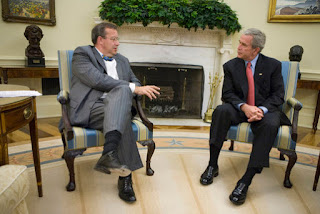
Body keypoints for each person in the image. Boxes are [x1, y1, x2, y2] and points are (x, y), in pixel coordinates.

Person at [69, 22, 160, 202]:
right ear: (100, 40)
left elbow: (136, 83)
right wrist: (131, 88)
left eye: (118, 39)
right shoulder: (82, 54)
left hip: (116, 109)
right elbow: (97, 79)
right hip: (91, 108)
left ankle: (112, 158)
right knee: (123, 98)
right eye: (114, 39)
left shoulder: (123, 61)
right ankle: (124, 176)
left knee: (122, 109)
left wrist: (134, 87)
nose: (118, 43)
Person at [199, 28, 291, 205]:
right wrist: (245, 107)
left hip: (265, 111)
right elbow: (227, 94)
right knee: (221, 111)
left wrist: (261, 110)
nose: (238, 47)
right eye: (239, 43)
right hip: (241, 108)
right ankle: (212, 164)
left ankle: (245, 181)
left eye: (243, 44)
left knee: (270, 125)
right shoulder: (231, 66)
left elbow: (278, 95)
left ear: (255, 50)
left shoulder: (273, 65)